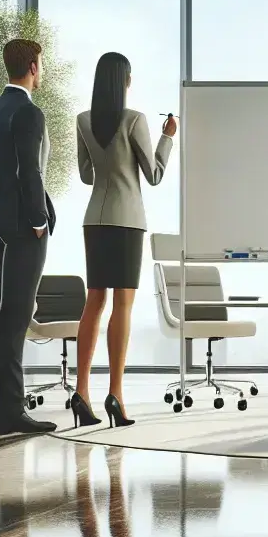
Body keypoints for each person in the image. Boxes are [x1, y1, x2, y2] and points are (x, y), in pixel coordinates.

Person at [70, 52, 176, 430]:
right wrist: (167, 137)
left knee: (93, 302)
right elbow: (155, 173)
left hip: (94, 220)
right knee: (123, 305)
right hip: (127, 221)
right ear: (125, 81)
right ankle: (115, 393)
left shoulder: (83, 121)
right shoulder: (135, 121)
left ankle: (80, 393)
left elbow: (86, 175)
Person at [0, 38, 59, 436]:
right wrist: (40, 219)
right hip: (25, 225)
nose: (42, 69)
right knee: (17, 314)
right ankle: (10, 412)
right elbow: (29, 172)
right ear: (32, 67)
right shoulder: (28, 112)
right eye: (40, 63)